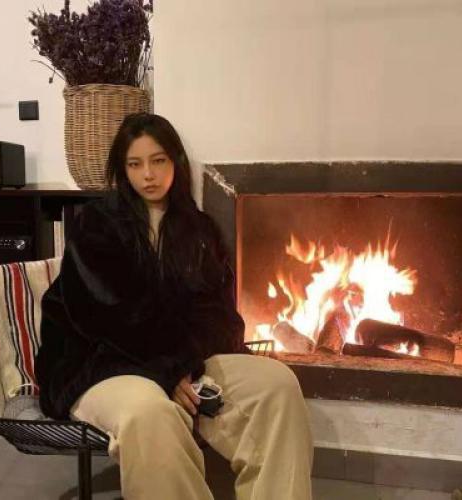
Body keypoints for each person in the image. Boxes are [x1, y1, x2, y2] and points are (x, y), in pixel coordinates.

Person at [35, 113, 313, 500]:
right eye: (135, 164)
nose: (148, 174)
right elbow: (106, 315)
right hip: (101, 362)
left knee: (277, 385)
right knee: (152, 413)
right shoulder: (97, 224)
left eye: (158, 160)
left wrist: (182, 364)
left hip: (184, 359)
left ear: (176, 162)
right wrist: (166, 368)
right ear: (123, 170)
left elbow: (219, 317)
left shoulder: (198, 229)